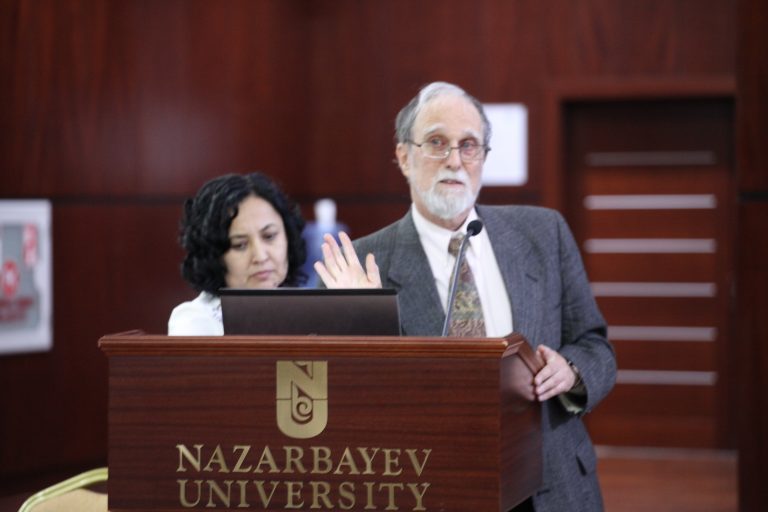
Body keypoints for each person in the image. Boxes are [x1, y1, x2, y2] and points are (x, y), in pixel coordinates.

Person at [315, 82, 617, 512]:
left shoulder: (543, 233)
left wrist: (570, 371)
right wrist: (366, 319)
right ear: (404, 156)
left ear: (483, 157)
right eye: (437, 142)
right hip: (431, 487)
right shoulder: (361, 265)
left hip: (551, 486)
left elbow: (595, 345)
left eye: (468, 145)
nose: (454, 160)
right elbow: (347, 403)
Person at [168, 172, 307, 335]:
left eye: (269, 236)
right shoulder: (195, 322)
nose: (261, 257)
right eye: (240, 245)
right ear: (214, 255)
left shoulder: (306, 309)